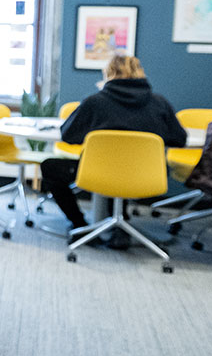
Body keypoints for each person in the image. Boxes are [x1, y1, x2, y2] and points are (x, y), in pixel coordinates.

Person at [41, 53, 187, 242]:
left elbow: (68, 135)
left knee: (50, 167)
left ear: (108, 73)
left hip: (98, 172)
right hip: (146, 174)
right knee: (125, 166)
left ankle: (80, 224)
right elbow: (179, 139)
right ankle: (121, 227)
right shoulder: (159, 103)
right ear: (140, 73)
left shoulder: (94, 102)